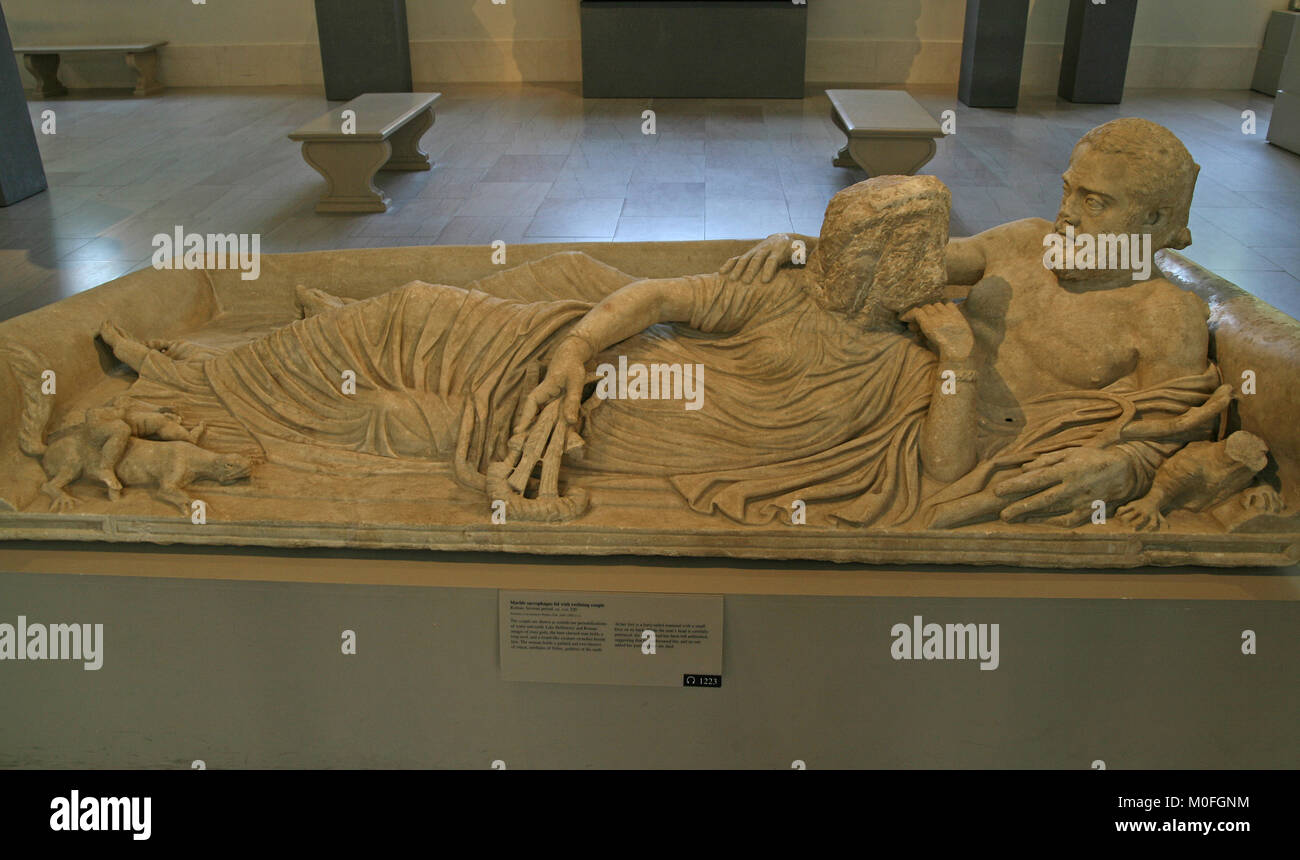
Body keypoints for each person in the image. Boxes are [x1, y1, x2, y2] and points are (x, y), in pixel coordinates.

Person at [719, 118, 1224, 527]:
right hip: (891, 387)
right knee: (743, 338)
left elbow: (1167, 433)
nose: (1065, 215)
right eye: (1068, 190)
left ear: (1156, 220)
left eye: (1094, 202)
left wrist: (1125, 469)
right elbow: (909, 258)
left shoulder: (1163, 314)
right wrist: (802, 245)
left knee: (731, 424)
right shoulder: (1026, 241)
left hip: (953, 449)